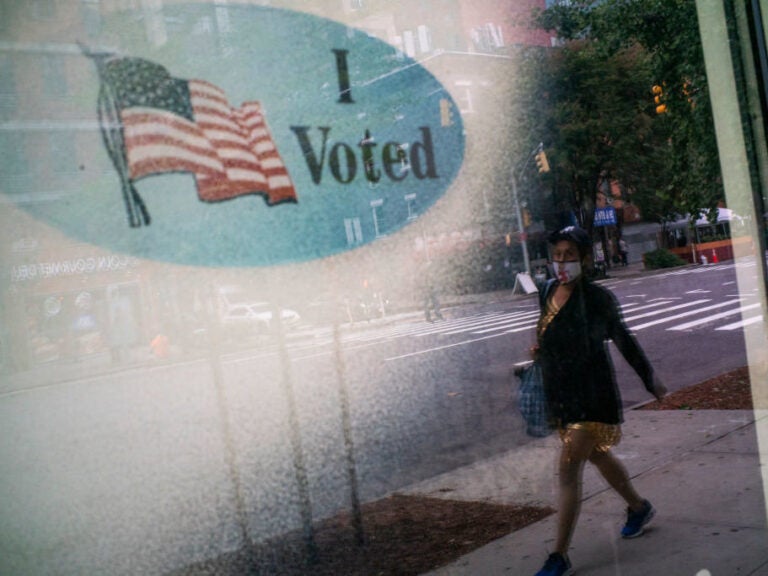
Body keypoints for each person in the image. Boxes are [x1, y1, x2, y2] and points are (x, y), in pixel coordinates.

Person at [532, 226, 667, 576]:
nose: (562, 263)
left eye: (570, 256)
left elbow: (624, 341)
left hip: (592, 395)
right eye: (557, 255)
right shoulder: (546, 291)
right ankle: (638, 508)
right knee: (597, 455)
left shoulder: (598, 299)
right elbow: (549, 334)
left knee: (567, 469)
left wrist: (650, 379)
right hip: (561, 394)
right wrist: (539, 349)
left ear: (586, 260)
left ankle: (558, 555)